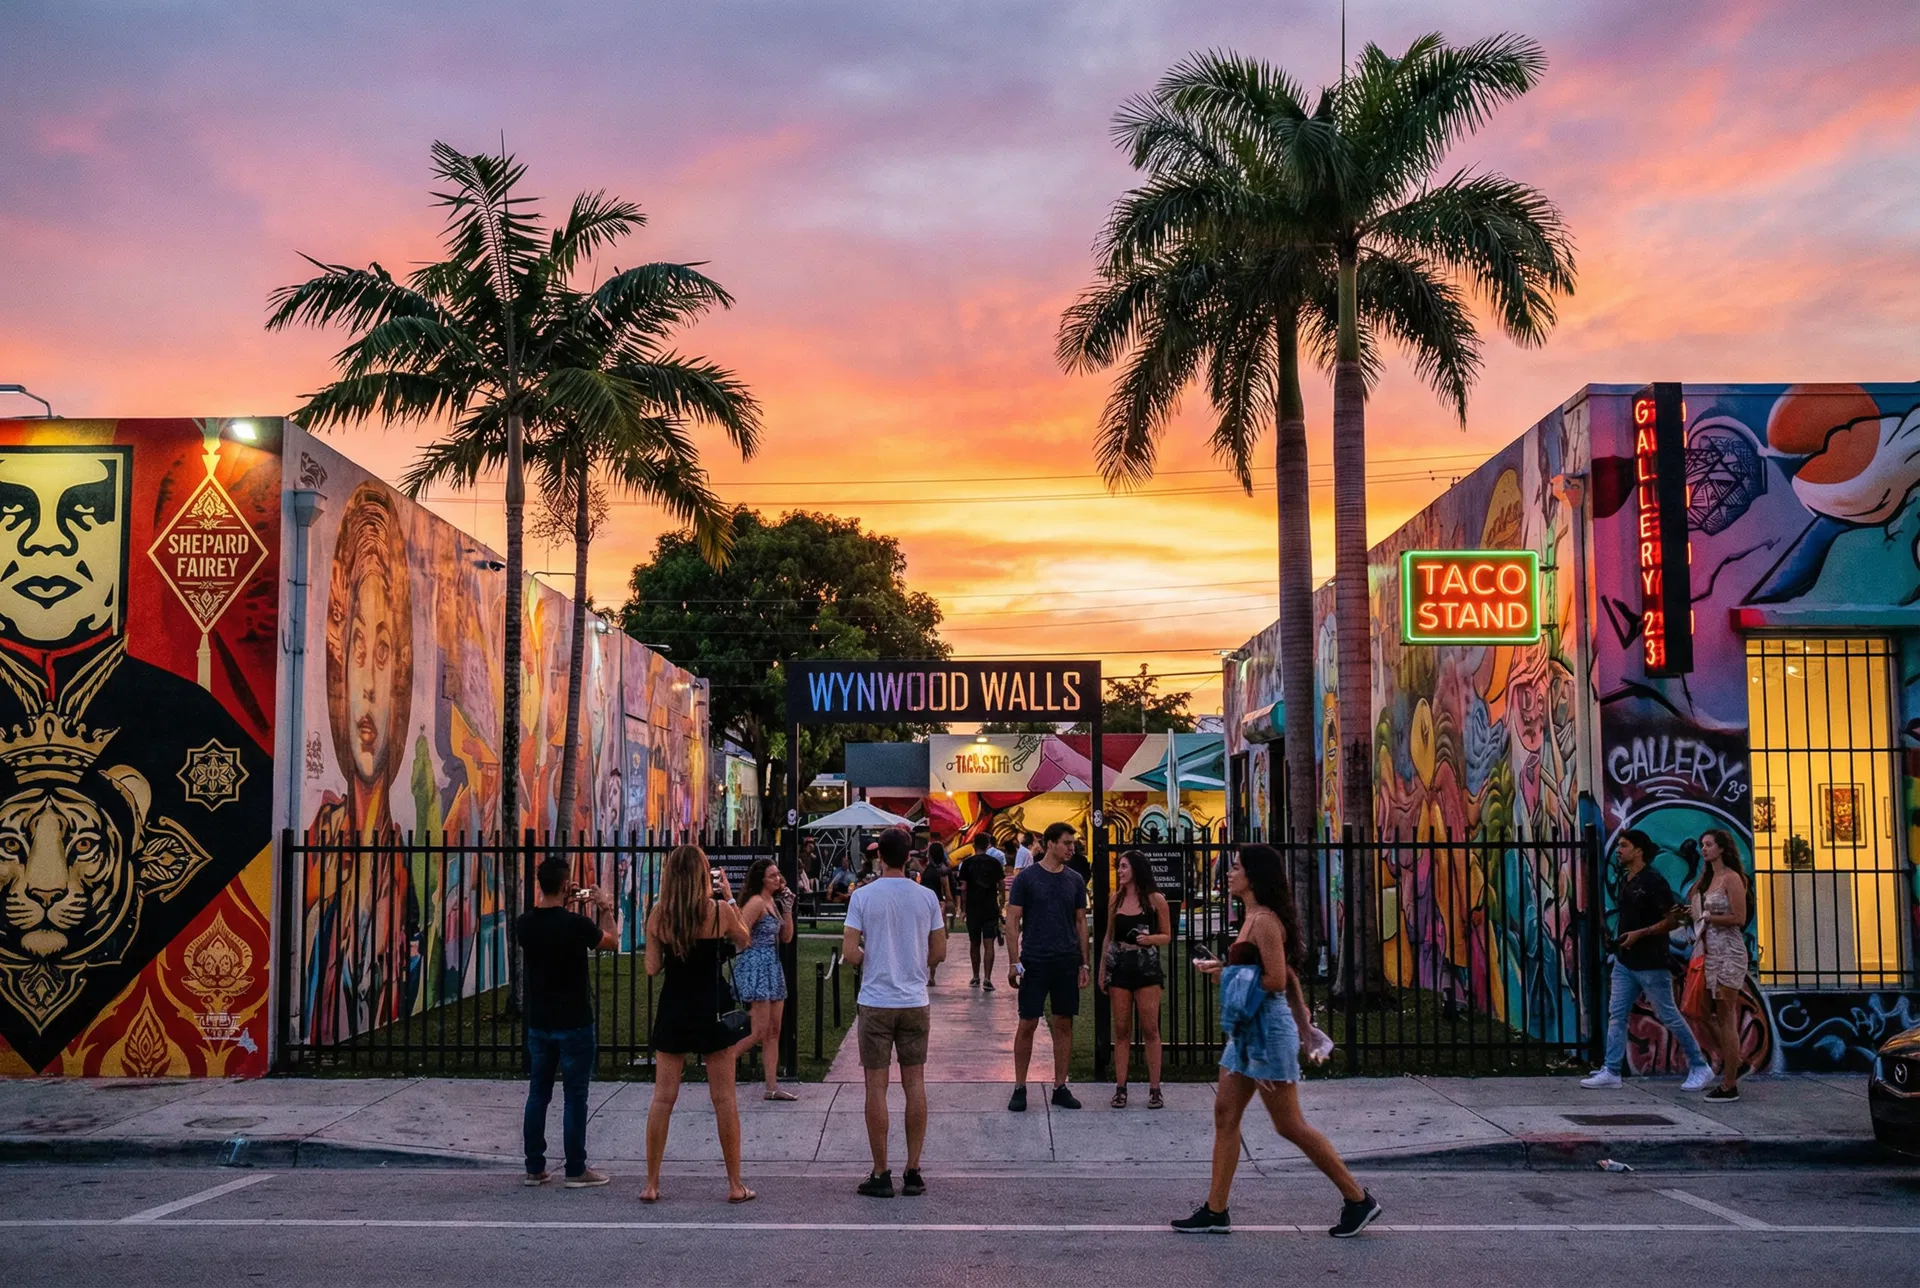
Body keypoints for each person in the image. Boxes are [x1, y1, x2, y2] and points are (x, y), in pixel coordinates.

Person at [1174, 846, 1380, 1237]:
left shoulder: (1265, 921)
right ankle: (1215, 1210)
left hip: (1265, 1031)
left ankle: (1357, 1199)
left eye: (1235, 868)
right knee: (1225, 1112)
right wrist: (1226, 967)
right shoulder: (1252, 916)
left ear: (1253, 876)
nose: (1229, 873)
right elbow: (1277, 973)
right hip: (1249, 1030)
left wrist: (1229, 974)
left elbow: (1276, 980)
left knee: (1288, 1124)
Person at [643, 845, 755, 1203]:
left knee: (663, 1098)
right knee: (724, 1100)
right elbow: (744, 939)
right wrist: (729, 897)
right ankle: (735, 1184)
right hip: (711, 1006)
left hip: (674, 1006)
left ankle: (652, 1183)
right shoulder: (719, 911)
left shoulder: (660, 914)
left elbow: (651, 967)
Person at [842, 826, 947, 1198]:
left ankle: (880, 1170)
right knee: (915, 1084)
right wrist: (915, 961)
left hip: (876, 1000)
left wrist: (873, 959)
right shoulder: (927, 897)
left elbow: (851, 951)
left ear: (879, 856)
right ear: (911, 857)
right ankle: (913, 1170)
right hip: (914, 1000)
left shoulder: (863, 897)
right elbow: (940, 951)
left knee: (876, 1087)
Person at [1580, 829, 1715, 1092]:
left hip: (1651, 963)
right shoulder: (1627, 879)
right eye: (1618, 845)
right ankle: (1612, 1070)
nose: (1618, 850)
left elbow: (1672, 919)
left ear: (1638, 850)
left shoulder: (1653, 881)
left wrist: (1640, 934)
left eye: (1624, 845)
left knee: (1669, 1015)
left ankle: (1700, 1066)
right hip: (1625, 961)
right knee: (1617, 1015)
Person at [516, 855, 619, 1188]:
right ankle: (575, 1168)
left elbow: (547, 916)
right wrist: (603, 906)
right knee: (575, 1096)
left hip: (539, 1021)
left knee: (538, 1094)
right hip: (574, 1021)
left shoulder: (525, 924)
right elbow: (612, 941)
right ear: (565, 884)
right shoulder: (576, 924)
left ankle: (535, 1166)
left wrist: (563, 898)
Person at [1005, 821, 1089, 1111]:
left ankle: (1060, 1086)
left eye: (1072, 844)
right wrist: (1014, 962)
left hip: (1066, 960)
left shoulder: (1075, 880)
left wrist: (1085, 963)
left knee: (1064, 1022)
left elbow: (1081, 922)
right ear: (1050, 843)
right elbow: (1012, 921)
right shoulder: (1026, 879)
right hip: (1035, 959)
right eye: (1066, 843)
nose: (1071, 848)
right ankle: (1019, 1086)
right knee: (1027, 1021)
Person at [1101, 850, 1171, 1109]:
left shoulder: (1155, 900)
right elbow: (1108, 937)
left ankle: (1155, 1089)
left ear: (1137, 870)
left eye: (1124, 867)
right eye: (1119, 867)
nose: (1120, 871)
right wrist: (1102, 970)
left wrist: (1148, 939)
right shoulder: (1115, 900)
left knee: (1150, 1029)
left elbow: (1167, 935)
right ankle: (1121, 1088)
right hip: (1120, 967)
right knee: (1121, 1030)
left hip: (1147, 968)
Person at [1687, 829, 1750, 1103]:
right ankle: (1734, 1062)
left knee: (1726, 1017)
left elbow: (1739, 917)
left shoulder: (1731, 878)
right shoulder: (1708, 879)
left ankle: (1730, 1082)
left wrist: (1708, 916)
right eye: (1702, 845)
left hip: (1729, 953)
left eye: (1709, 845)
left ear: (1722, 848)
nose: (1704, 849)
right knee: (1709, 1012)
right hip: (1710, 953)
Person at [734, 858, 799, 1102]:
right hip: (757, 965)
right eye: (772, 875)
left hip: (772, 965)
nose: (778, 879)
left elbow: (786, 937)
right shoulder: (756, 902)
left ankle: (771, 1086)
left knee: (774, 1030)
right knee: (758, 1030)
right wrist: (751, 948)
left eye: (778, 875)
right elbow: (739, 932)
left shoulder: (773, 902)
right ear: (761, 879)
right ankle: (724, 1061)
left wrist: (788, 909)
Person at [959, 840, 1007, 990]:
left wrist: (963, 908)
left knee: (974, 943)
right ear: (987, 846)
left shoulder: (967, 863)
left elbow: (964, 888)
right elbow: (1001, 884)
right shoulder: (995, 863)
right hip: (990, 908)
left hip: (973, 908)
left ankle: (975, 976)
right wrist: (1001, 903)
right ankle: (987, 978)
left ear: (974, 847)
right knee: (989, 944)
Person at [918, 842, 952, 985]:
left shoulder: (926, 870)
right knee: (935, 939)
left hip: (924, 905)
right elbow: (947, 891)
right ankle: (932, 974)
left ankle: (925, 972)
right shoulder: (943, 872)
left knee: (924, 938)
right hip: (939, 905)